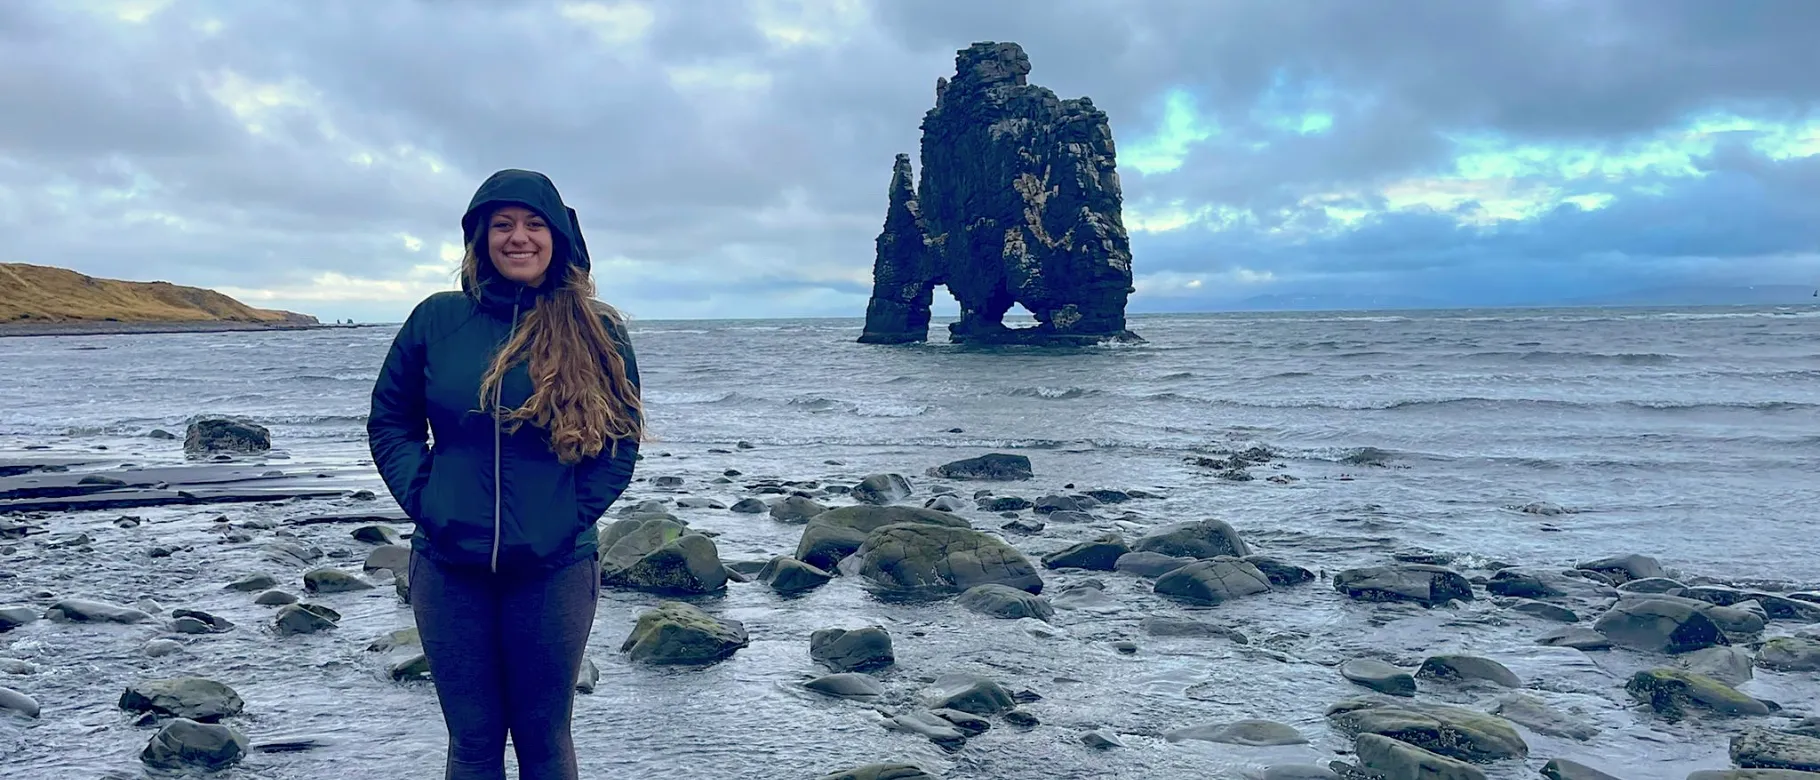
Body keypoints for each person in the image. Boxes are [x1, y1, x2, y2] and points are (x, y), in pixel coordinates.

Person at [366, 168, 643, 780]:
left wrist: (566, 519)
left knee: (545, 740)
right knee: (472, 741)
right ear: (480, 239)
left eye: (534, 224)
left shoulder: (598, 330)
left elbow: (619, 443)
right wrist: (428, 502)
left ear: (559, 237)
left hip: (555, 566)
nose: (519, 238)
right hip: (448, 565)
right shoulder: (437, 320)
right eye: (502, 226)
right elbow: (391, 421)